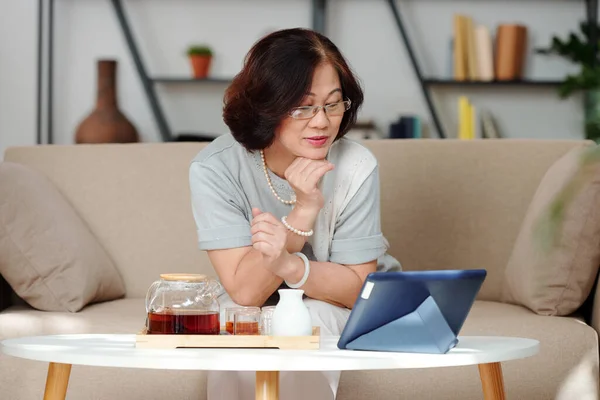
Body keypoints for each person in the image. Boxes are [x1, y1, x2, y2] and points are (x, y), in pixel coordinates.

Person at [188, 27, 401, 400]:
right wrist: (302, 213)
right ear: (265, 107)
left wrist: (291, 267)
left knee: (304, 323)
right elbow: (245, 291)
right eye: (302, 106)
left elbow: (358, 290)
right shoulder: (214, 168)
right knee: (229, 326)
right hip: (255, 302)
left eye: (333, 104)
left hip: (334, 304)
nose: (321, 122)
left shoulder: (355, 165)